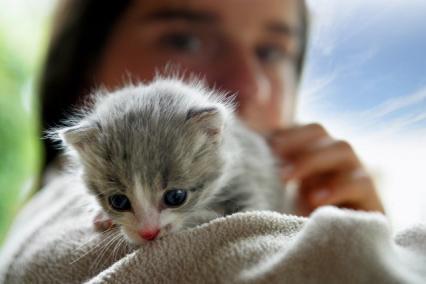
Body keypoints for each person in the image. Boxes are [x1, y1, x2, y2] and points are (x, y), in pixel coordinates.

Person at [39, 0, 384, 216]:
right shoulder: (57, 220)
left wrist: (371, 236)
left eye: (271, 52)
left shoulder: (319, 200)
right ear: (82, 72)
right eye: (186, 40)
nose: (248, 85)